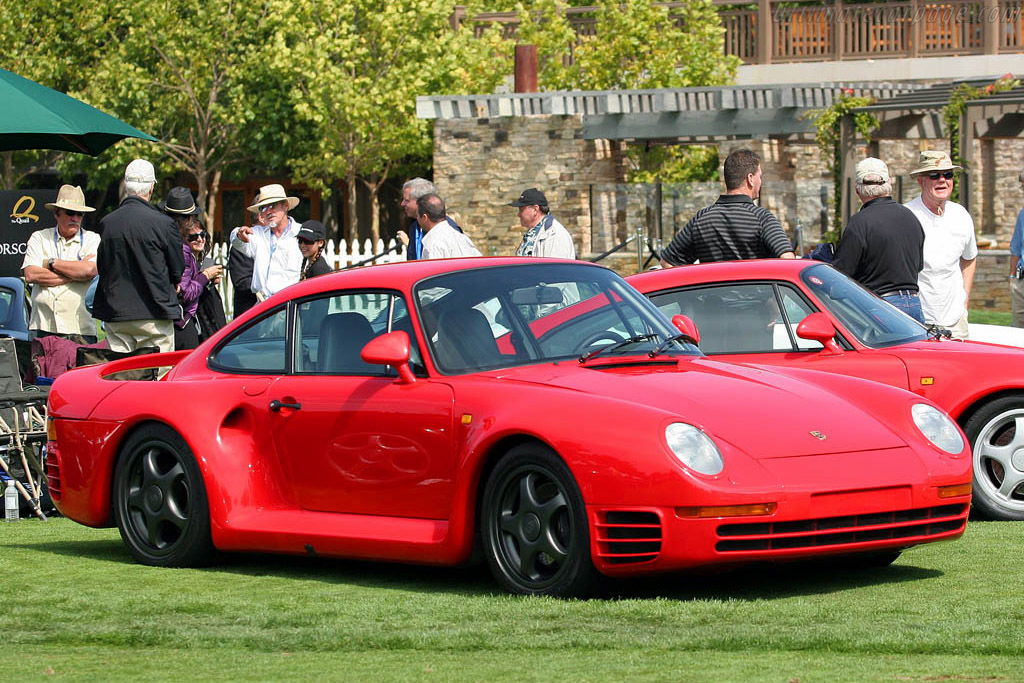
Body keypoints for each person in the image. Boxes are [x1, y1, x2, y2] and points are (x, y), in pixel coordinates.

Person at [92, 159, 184, 353]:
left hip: (117, 312)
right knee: (157, 376)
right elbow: (177, 269)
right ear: (151, 187)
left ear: (126, 185)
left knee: (121, 376)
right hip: (154, 311)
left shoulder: (108, 223)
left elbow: (103, 266)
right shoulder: (164, 224)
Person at [660, 149, 795, 266]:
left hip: (712, 296)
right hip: (756, 295)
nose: (761, 181)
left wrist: (697, 292)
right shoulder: (762, 218)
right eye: (760, 176)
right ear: (750, 179)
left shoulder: (701, 219)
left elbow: (668, 262)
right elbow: (788, 260)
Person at [832, 158, 925, 323]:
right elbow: (918, 266)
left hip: (879, 305)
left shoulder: (859, 223)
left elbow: (841, 275)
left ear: (857, 190)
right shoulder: (910, 217)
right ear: (889, 183)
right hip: (914, 303)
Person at [904, 150, 978, 340]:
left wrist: (965, 299)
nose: (942, 180)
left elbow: (969, 258)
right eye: (934, 175)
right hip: (917, 320)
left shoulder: (961, 215)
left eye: (948, 175)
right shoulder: (906, 216)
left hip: (956, 319)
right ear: (921, 180)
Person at [21, 185, 101, 344]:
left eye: (80, 214)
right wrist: (74, 273)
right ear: (56, 213)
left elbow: (90, 270)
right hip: (42, 327)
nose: (76, 218)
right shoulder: (39, 237)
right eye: (70, 213)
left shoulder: (93, 239)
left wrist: (51, 263)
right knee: (41, 370)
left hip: (80, 329)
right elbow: (30, 274)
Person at [161, 187, 223, 350]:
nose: (199, 239)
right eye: (193, 236)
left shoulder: (163, 243)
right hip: (182, 322)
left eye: (202, 235)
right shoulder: (183, 252)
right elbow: (186, 293)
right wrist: (205, 276)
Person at [230, 184, 302, 300]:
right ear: (260, 215)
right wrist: (239, 234)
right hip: (264, 305)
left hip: (293, 303)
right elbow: (236, 241)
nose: (268, 211)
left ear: (286, 206)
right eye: (263, 208)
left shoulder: (302, 233)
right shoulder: (258, 234)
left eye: (273, 205)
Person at [398, 177, 463, 259]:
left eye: (407, 200)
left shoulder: (448, 229)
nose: (402, 204)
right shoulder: (414, 228)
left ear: (421, 201)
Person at [509, 188, 576, 259]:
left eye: (521, 210)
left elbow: (555, 268)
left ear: (535, 209)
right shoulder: (533, 233)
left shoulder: (554, 235)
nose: (518, 214)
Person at [418, 194, 481, 259]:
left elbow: (432, 268)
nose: (417, 219)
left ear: (424, 217)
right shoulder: (462, 238)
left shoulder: (433, 243)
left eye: (417, 216)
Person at [1010, 169, 1024, 328]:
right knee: (1018, 333)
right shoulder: (1023, 214)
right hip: (1021, 282)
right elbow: (1016, 248)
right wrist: (1012, 278)